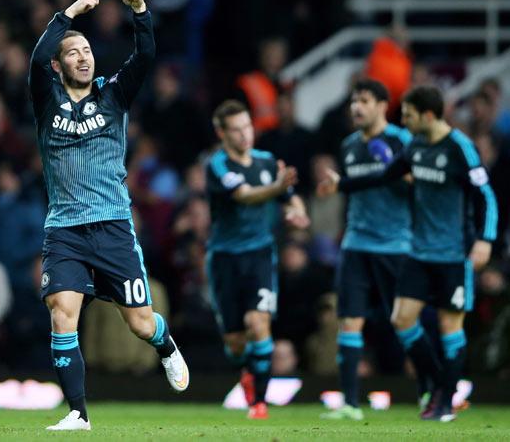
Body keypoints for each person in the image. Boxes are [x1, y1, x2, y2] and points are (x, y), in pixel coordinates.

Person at [29, 0, 188, 432]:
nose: (83, 57)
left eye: (86, 51)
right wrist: (70, 14)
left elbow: (148, 56)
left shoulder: (113, 95)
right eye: (73, 53)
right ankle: (78, 413)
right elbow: (37, 57)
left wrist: (140, 12)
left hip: (114, 226)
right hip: (64, 229)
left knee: (139, 325)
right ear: (59, 67)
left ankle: (166, 346)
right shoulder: (46, 103)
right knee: (62, 311)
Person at [318, 85, 498, 422]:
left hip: (452, 252)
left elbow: (485, 196)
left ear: (427, 115)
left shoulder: (459, 147)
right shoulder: (414, 145)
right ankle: (438, 385)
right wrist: (341, 184)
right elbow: (384, 176)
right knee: (402, 319)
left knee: (449, 324)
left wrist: (485, 240)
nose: (403, 121)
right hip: (418, 251)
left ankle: (443, 403)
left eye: (409, 115)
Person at [204, 99, 310, 420]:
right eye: (236, 130)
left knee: (258, 322)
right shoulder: (217, 165)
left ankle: (259, 403)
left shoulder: (266, 162)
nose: (244, 135)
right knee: (235, 342)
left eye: (247, 127)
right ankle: (247, 371)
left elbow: (292, 200)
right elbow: (245, 196)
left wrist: (297, 213)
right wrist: (276, 188)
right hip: (224, 259)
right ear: (221, 133)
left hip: (260, 255)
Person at [319, 79, 412, 421]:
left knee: (406, 321)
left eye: (365, 100)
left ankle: (434, 390)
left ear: (382, 105)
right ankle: (349, 403)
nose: (356, 107)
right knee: (349, 321)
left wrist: (393, 167)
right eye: (354, 101)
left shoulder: (402, 140)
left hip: (395, 243)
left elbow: (418, 188)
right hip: (357, 243)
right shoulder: (349, 145)